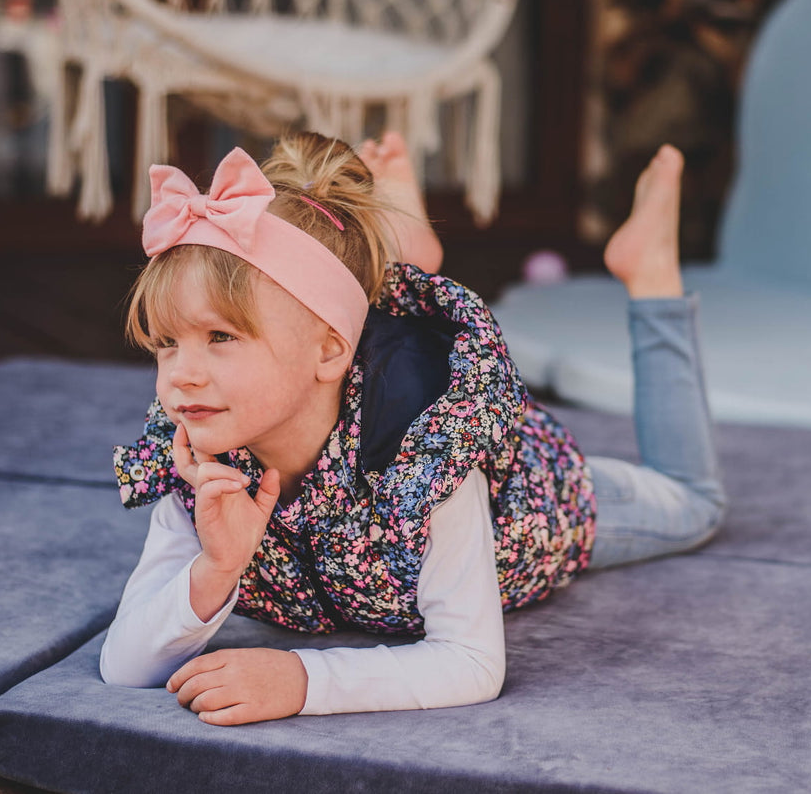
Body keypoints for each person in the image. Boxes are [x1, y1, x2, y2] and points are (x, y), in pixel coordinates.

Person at [100, 131, 725, 725]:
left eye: (220, 337)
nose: (181, 375)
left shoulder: (425, 449)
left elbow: (472, 661)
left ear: (326, 351)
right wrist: (216, 568)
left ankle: (652, 277)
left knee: (695, 503)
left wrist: (303, 681)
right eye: (165, 344)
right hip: (352, 374)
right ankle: (396, 256)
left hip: (540, 499)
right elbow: (124, 667)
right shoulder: (200, 458)